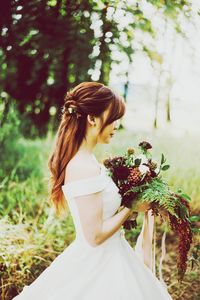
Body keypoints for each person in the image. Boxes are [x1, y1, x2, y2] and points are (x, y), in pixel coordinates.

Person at [13, 82, 173, 299]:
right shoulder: (82, 166)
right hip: (98, 262)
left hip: (114, 253)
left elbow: (104, 214)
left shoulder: (90, 160)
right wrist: (131, 205)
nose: (117, 125)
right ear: (92, 119)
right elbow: (95, 236)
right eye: (114, 118)